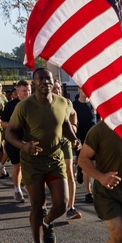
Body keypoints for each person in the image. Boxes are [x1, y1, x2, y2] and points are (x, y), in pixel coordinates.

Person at [5, 68, 80, 243]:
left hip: (55, 158)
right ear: (34, 82)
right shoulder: (24, 106)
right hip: (33, 161)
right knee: (37, 205)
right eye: (41, 79)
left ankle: (46, 224)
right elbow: (10, 132)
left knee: (62, 203)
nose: (45, 82)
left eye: (48, 79)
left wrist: (74, 139)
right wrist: (24, 145)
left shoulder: (62, 102)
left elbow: (64, 124)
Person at [52, 80, 82, 220]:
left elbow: (74, 113)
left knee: (70, 172)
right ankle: (49, 205)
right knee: (53, 175)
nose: (57, 90)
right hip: (50, 143)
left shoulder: (67, 102)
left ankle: (71, 208)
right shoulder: (44, 105)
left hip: (65, 141)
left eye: (58, 88)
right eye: (54, 88)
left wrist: (74, 126)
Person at [0, 80, 32, 202]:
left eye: (29, 90)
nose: (27, 93)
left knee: (29, 167)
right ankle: (17, 190)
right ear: (17, 91)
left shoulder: (35, 104)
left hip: (30, 141)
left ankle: (31, 190)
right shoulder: (10, 105)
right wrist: (15, 125)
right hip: (14, 140)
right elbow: (2, 123)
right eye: (24, 91)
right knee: (17, 166)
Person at [73, 89, 96, 203]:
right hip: (80, 140)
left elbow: (99, 120)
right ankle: (88, 193)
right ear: (79, 90)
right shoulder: (74, 105)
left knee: (93, 165)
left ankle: (80, 169)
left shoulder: (93, 103)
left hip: (93, 139)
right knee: (88, 164)